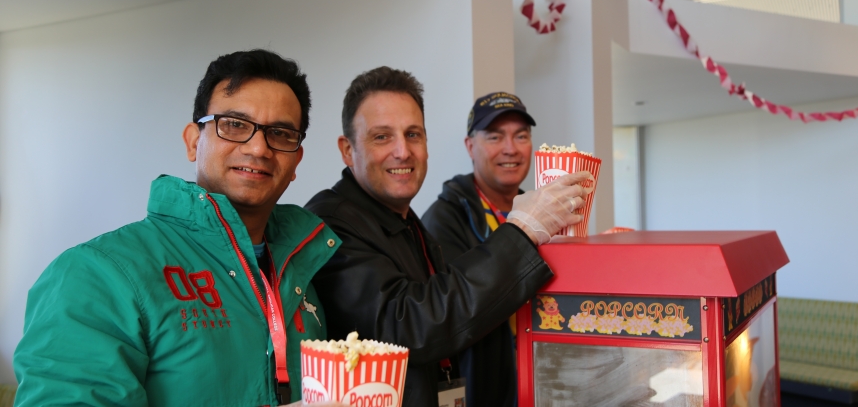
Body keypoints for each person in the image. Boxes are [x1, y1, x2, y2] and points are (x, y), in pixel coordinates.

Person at [13, 49, 341, 406]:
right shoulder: (94, 274)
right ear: (193, 141)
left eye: (279, 133)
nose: (259, 147)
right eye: (234, 125)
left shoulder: (303, 273)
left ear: (296, 161)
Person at [305, 67, 590, 407]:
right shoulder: (331, 222)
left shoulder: (406, 220)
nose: (402, 151)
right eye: (382, 136)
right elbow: (407, 325)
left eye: (413, 135)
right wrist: (522, 231)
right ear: (348, 150)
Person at [421, 91, 536, 407]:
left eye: (521, 136)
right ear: (470, 146)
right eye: (495, 137)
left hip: (540, 381)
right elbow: (459, 313)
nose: (510, 149)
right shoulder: (444, 219)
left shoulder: (538, 212)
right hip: (483, 391)